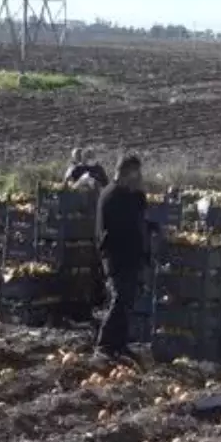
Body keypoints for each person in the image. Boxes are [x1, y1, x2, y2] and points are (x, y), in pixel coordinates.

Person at [96, 154, 150, 362]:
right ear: (128, 173)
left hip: (129, 257)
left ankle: (120, 344)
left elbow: (139, 216)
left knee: (127, 300)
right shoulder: (112, 196)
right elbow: (126, 225)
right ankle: (104, 345)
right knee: (119, 299)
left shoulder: (126, 194)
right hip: (117, 257)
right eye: (137, 173)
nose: (140, 177)